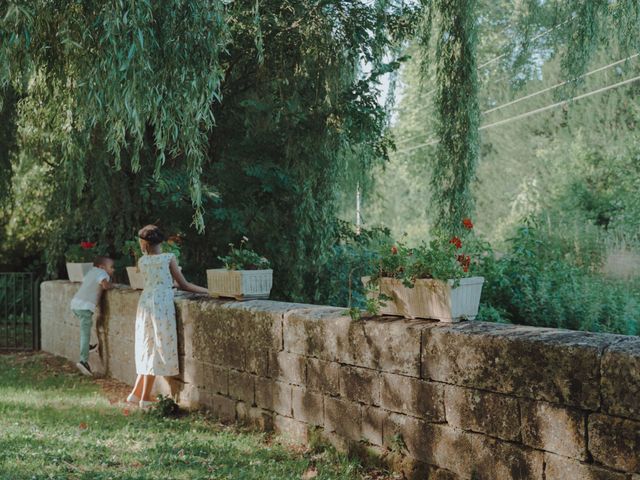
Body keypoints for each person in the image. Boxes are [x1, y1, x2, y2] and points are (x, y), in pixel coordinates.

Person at [127, 225, 208, 408]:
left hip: (146, 302)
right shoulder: (168, 258)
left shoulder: (142, 261)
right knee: (156, 347)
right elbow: (184, 285)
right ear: (160, 242)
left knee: (148, 344)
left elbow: (159, 280)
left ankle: (136, 394)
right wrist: (209, 291)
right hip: (161, 305)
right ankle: (145, 398)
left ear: (144, 244)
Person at [70, 256, 115, 376]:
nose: (113, 270)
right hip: (85, 307)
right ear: (101, 267)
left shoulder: (90, 272)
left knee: (85, 331)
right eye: (111, 267)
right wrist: (111, 285)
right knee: (85, 333)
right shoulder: (102, 273)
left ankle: (87, 346)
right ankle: (83, 361)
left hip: (75, 304)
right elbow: (105, 285)